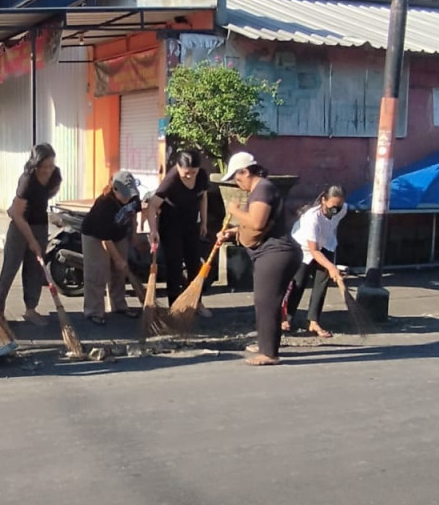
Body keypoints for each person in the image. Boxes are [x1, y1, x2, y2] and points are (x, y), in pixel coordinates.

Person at [220, 152, 302, 366]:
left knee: (267, 302)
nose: (236, 183)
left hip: (276, 253)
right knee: (264, 301)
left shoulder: (263, 189)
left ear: (245, 171)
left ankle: (270, 353)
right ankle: (265, 344)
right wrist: (233, 232)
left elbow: (257, 222)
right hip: (271, 252)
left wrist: (234, 211)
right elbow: (259, 226)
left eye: (236, 177)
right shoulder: (261, 190)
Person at [0, 143, 62, 326]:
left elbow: (48, 194)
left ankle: (31, 310)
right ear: (35, 164)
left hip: (40, 225)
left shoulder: (55, 175)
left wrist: (38, 235)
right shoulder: (27, 180)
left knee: (35, 269)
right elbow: (17, 214)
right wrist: (31, 240)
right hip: (19, 226)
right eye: (44, 166)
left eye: (51, 165)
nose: (48, 170)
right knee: (10, 267)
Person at [146, 150, 211, 314]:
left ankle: (196, 302)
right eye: (186, 173)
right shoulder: (171, 180)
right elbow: (152, 206)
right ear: (178, 167)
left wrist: (204, 222)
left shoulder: (202, 176)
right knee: (174, 265)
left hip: (191, 224)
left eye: (193, 172)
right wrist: (153, 230)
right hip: (171, 226)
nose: (190, 176)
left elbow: (203, 197)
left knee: (194, 264)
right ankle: (174, 306)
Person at [284, 185, 347, 338]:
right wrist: (331, 267)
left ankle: (313, 321)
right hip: (304, 248)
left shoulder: (343, 209)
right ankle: (286, 318)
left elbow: (332, 226)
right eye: (333, 206)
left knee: (321, 283)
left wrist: (330, 267)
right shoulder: (311, 218)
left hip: (327, 244)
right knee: (298, 283)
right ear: (323, 200)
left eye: (339, 206)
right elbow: (314, 250)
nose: (336, 210)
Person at [80, 170, 141, 325]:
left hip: (119, 234)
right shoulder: (104, 204)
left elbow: (134, 213)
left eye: (130, 194)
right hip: (95, 236)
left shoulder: (134, 195)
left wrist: (134, 234)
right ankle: (94, 311)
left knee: (119, 273)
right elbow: (105, 239)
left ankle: (119, 305)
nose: (128, 198)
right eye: (124, 195)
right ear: (115, 189)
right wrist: (118, 259)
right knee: (98, 272)